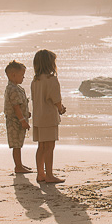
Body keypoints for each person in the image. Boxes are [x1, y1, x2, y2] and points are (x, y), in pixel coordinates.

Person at [31, 49, 66, 184]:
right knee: (50, 147)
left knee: (41, 146)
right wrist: (61, 109)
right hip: (49, 118)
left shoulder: (35, 81)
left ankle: (41, 174)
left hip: (38, 117)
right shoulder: (52, 80)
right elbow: (56, 100)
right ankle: (49, 175)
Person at [3, 61, 32, 174]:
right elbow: (16, 107)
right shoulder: (13, 89)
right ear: (13, 75)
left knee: (19, 143)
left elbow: (21, 105)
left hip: (18, 120)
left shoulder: (17, 88)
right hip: (15, 122)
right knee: (16, 145)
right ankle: (18, 167)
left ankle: (19, 164)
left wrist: (26, 113)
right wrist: (22, 120)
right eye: (22, 75)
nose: (23, 77)